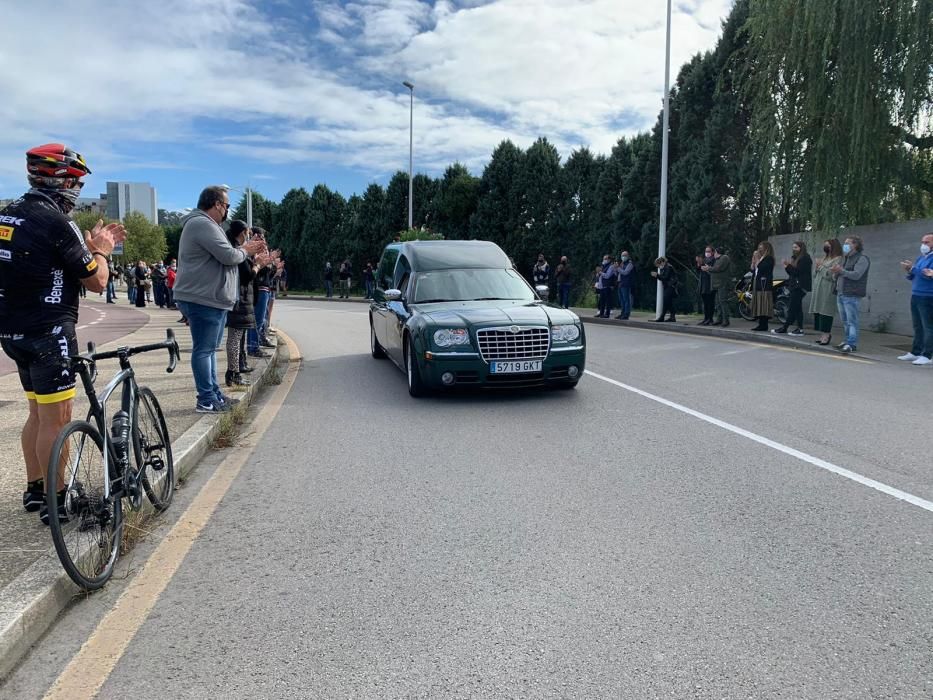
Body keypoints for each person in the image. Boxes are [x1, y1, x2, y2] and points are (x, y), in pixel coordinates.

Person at [0, 143, 125, 523]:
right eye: (76, 182)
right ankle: (58, 499)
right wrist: (101, 249)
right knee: (57, 418)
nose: (78, 190)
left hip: (13, 331)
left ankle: (36, 490)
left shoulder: (8, 214)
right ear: (63, 182)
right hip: (49, 330)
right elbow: (98, 282)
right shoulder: (57, 221)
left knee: (37, 413)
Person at [173, 185, 266, 413]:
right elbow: (229, 255)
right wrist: (246, 250)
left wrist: (244, 250)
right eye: (226, 205)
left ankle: (214, 394)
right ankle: (206, 399)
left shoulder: (205, 224)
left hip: (209, 298)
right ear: (216, 204)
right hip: (203, 298)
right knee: (204, 350)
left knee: (209, 350)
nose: (227, 211)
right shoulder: (202, 224)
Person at [224, 221, 268, 386]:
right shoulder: (238, 251)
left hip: (242, 298)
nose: (249, 237)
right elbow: (248, 276)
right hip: (239, 299)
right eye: (248, 233)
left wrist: (257, 262)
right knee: (235, 339)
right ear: (242, 233)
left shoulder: (238, 250)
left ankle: (235, 370)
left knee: (237, 338)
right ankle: (233, 372)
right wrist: (258, 265)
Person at [897, 232, 933, 365]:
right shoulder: (921, 258)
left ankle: (928, 355)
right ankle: (915, 352)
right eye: (922, 242)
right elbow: (915, 275)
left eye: (927, 242)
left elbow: (928, 274)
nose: (923, 245)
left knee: (928, 326)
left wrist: (914, 269)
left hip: (928, 296)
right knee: (917, 325)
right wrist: (909, 270)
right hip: (916, 294)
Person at [831, 235, 870, 353]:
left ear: (855, 245)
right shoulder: (846, 258)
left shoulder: (862, 258)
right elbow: (839, 274)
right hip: (841, 292)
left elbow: (857, 275)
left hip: (852, 294)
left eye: (848, 243)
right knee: (845, 320)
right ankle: (847, 340)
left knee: (852, 320)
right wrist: (835, 273)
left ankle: (852, 343)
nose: (845, 245)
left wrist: (841, 271)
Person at [247, 228, 276, 357]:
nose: (263, 240)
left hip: (264, 288)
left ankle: (255, 345)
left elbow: (268, 275)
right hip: (258, 289)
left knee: (260, 319)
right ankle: (253, 347)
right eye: (261, 237)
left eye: (263, 237)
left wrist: (272, 265)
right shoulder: (252, 253)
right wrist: (263, 263)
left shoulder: (259, 252)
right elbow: (255, 272)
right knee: (256, 321)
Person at [774, 241, 812, 336]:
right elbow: (792, 273)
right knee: (797, 308)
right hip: (794, 286)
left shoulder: (805, 258)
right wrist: (787, 267)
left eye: (796, 247)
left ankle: (785, 327)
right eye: (793, 247)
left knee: (792, 307)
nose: (794, 249)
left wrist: (788, 266)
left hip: (800, 287)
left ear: (801, 248)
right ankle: (799, 329)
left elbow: (797, 272)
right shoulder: (795, 258)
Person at [810, 239, 843, 346]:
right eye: (825, 245)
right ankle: (822, 334)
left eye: (828, 245)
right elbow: (815, 274)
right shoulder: (824, 258)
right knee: (819, 312)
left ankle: (826, 335)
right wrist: (817, 268)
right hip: (818, 289)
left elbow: (832, 275)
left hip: (828, 289)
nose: (825, 247)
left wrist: (821, 267)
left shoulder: (838, 259)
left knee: (826, 312)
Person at [749, 241, 775, 331]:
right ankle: (761, 323)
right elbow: (753, 269)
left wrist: (757, 259)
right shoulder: (760, 258)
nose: (759, 249)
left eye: (761, 247)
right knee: (758, 303)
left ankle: (764, 324)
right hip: (758, 282)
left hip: (764, 284)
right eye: (759, 247)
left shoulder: (769, 258)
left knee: (763, 304)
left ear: (766, 248)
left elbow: (762, 268)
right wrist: (754, 260)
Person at [704, 246, 731, 326]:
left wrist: (709, 268)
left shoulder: (724, 258)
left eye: (714, 252)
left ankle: (726, 320)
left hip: (722, 283)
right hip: (717, 284)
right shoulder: (717, 260)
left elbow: (718, 268)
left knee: (723, 302)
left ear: (717, 252)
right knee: (718, 303)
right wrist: (707, 269)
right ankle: (719, 319)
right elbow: (714, 271)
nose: (713, 254)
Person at [651, 256, 677, 322]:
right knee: (668, 302)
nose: (658, 267)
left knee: (666, 302)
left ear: (662, 262)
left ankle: (662, 316)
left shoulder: (668, 267)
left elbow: (665, 277)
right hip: (669, 286)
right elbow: (664, 278)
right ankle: (672, 316)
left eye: (658, 265)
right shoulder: (665, 267)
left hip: (670, 286)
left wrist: (657, 275)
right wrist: (658, 276)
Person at [696, 246, 715, 325]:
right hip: (703, 284)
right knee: (705, 303)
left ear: (712, 252)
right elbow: (699, 270)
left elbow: (712, 270)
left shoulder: (714, 260)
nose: (707, 253)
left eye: (708, 251)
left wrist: (703, 264)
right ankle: (706, 318)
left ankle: (710, 319)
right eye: (706, 251)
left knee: (710, 302)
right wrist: (699, 264)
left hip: (710, 284)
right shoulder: (704, 260)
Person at [616, 251, 634, 319]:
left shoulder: (630, 264)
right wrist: (616, 268)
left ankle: (626, 314)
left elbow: (625, 272)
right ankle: (622, 313)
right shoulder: (622, 264)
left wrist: (618, 268)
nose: (623, 257)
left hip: (626, 284)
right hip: (620, 283)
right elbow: (618, 273)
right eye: (622, 255)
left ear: (628, 256)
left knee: (626, 300)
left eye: (625, 255)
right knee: (621, 300)